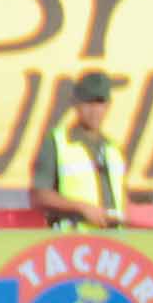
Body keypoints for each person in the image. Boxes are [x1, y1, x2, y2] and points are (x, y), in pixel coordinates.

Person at [30, 77, 130, 229]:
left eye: (100, 103)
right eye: (88, 103)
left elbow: (122, 199)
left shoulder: (113, 148)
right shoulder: (57, 142)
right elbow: (39, 196)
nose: (95, 110)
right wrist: (82, 208)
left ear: (108, 105)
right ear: (76, 104)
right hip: (71, 241)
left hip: (113, 244)